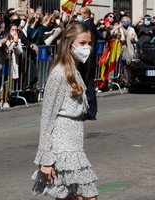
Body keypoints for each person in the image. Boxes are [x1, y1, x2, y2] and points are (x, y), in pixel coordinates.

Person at [31, 22, 99, 200]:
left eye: (89, 43)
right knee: (88, 196)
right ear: (70, 44)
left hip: (74, 142)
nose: (87, 48)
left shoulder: (75, 71)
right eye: (82, 43)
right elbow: (47, 118)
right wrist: (46, 159)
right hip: (63, 148)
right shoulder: (59, 74)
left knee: (70, 197)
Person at [77, 7, 98, 120]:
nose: (78, 16)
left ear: (85, 15)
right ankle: (90, 110)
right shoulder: (90, 24)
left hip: (87, 61)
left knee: (88, 85)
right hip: (89, 60)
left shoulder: (88, 26)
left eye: (79, 14)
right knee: (88, 85)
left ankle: (90, 111)